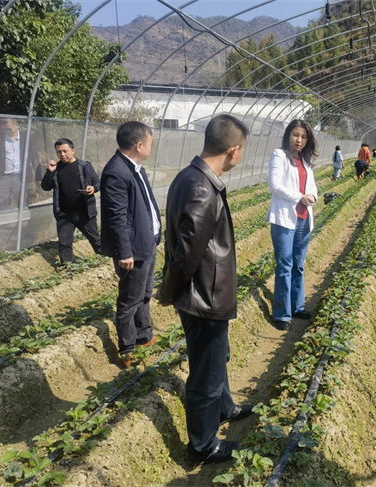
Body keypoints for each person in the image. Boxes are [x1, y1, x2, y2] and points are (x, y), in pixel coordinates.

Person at [156, 114, 253, 466]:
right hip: (204, 297)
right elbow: (186, 255)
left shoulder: (189, 176)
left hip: (201, 293)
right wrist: (168, 292)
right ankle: (202, 445)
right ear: (233, 150)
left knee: (217, 358)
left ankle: (224, 408)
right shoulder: (201, 188)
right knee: (205, 375)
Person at [100, 121, 161, 368]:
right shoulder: (117, 171)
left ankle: (143, 334)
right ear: (138, 145)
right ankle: (127, 348)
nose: (150, 147)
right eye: (149, 143)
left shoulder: (135, 168)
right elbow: (117, 217)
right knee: (129, 300)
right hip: (133, 250)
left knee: (144, 294)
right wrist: (125, 252)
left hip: (146, 243)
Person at [266, 120, 318, 331]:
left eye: (304, 137)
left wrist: (313, 196)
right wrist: (300, 197)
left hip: (303, 219)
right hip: (284, 220)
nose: (300, 140)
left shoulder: (305, 161)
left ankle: (297, 306)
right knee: (285, 266)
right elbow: (275, 185)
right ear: (288, 135)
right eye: (296, 135)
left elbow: (312, 186)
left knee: (298, 265)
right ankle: (282, 313)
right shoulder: (280, 156)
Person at [40, 139, 102, 263]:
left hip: (84, 212)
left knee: (95, 239)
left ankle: (108, 259)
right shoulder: (56, 169)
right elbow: (45, 187)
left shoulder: (84, 166)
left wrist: (93, 188)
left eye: (65, 151)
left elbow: (98, 182)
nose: (62, 154)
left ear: (72, 150)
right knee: (64, 243)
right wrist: (50, 172)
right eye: (59, 152)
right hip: (64, 214)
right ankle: (67, 267)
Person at [0, 118, 40, 211]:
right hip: (2, 177)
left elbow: (34, 158)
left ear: (16, 125)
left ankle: (23, 225)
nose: (7, 131)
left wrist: (38, 177)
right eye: (5, 129)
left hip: (20, 176)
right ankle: (5, 225)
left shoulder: (26, 139)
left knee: (22, 203)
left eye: (9, 129)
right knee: (2, 205)